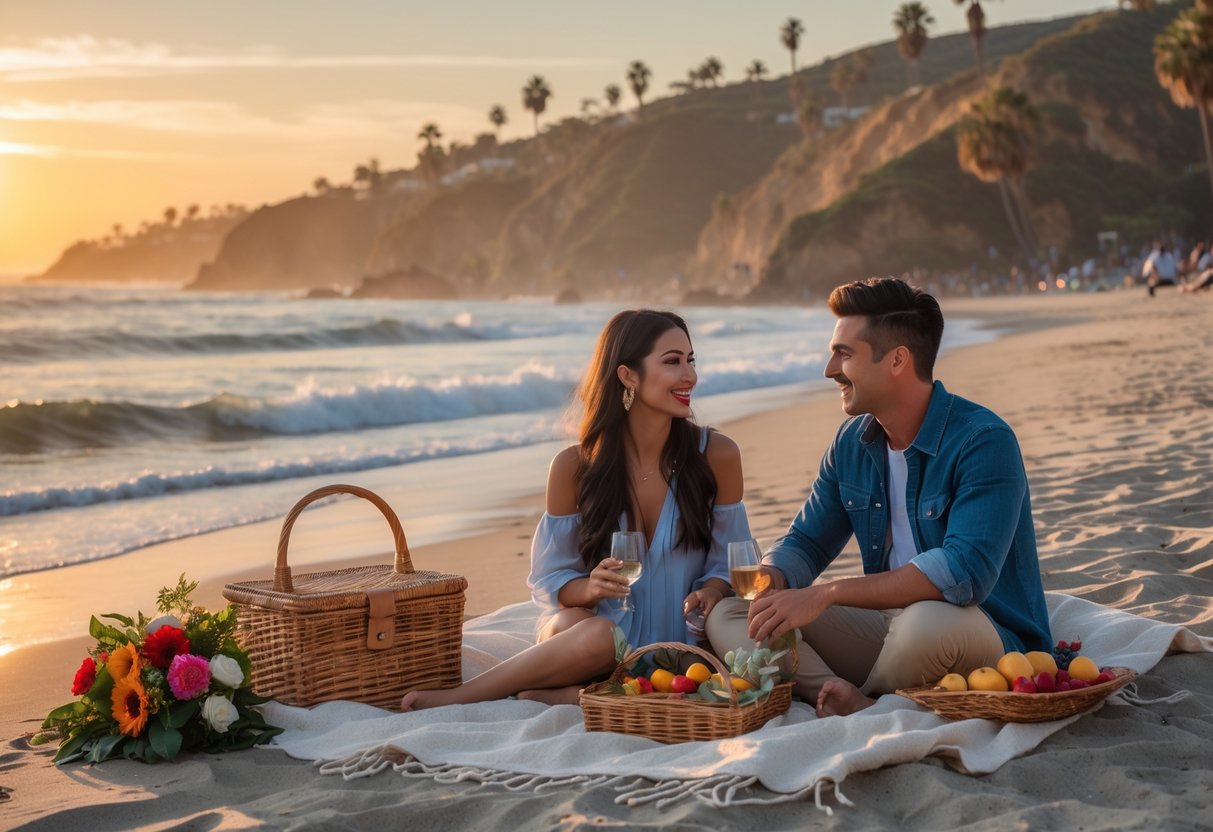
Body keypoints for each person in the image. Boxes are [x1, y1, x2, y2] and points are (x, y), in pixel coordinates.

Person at [706, 277, 1052, 717]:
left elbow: (965, 573)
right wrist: (773, 580)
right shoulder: (852, 442)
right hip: (890, 630)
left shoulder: (983, 440)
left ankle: (869, 705)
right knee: (737, 612)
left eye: (844, 354)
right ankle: (834, 693)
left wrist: (827, 593)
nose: (829, 369)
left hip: (982, 633)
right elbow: (807, 542)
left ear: (897, 361)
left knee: (925, 625)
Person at [401, 309, 750, 710]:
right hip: (595, 643)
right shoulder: (573, 468)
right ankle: (463, 697)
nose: (690, 375)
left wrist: (711, 590)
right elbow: (552, 580)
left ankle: (578, 694)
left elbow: (731, 562)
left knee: (733, 642)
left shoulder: (717, 455)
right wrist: (591, 587)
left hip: (686, 645)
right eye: (672, 361)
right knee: (595, 634)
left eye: (691, 360)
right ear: (627, 376)